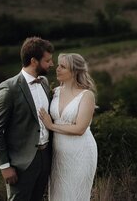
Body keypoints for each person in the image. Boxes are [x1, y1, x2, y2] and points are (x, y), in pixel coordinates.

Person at [0, 37, 54, 201]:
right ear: (33, 61)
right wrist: (4, 166)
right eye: (47, 60)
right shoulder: (9, 88)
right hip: (21, 163)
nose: (51, 64)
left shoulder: (45, 83)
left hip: (45, 157)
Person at [39, 53, 98, 201]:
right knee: (58, 195)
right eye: (58, 65)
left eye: (62, 66)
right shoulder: (56, 92)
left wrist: (51, 125)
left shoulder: (86, 95)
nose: (57, 69)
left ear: (75, 71)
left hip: (81, 153)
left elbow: (80, 129)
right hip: (58, 154)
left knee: (76, 196)